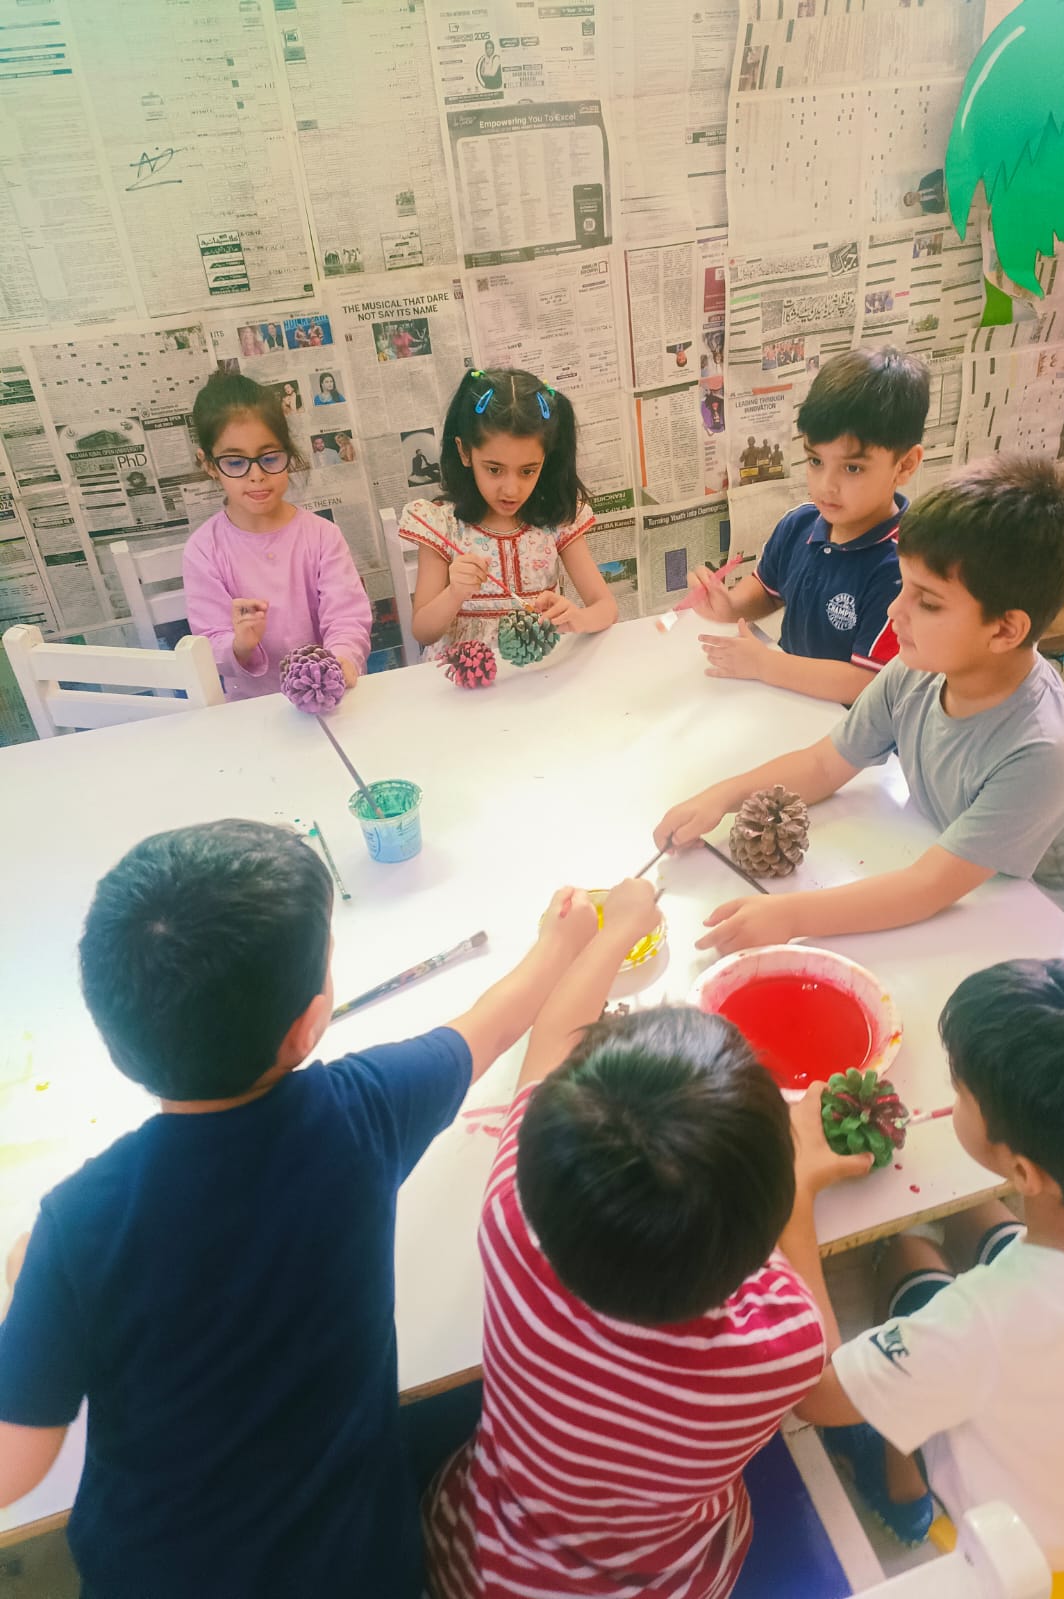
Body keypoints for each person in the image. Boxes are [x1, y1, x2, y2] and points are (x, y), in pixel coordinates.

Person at [0, 821, 600, 1597]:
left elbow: (17, 1464)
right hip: (361, 1567)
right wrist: (561, 943)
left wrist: (38, 1292)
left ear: (114, 1039)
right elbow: (488, 1026)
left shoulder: (77, 1226)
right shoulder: (362, 1110)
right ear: (309, 1025)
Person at [423, 880, 841, 1598]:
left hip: (478, 1560)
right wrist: (801, 1191)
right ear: (762, 1229)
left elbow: (552, 1039)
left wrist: (615, 929)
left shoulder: (510, 1217)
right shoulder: (779, 1346)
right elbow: (824, 1365)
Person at [791, 959, 1064, 1572]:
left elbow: (814, 1393)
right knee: (979, 1226)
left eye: (959, 1092)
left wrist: (795, 1196)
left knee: (909, 1257)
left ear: (1025, 1172)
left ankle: (902, 1489)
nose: (951, 1096)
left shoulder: (978, 1325)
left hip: (1033, 1552)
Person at [656, 454, 1064, 965]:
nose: (894, 611)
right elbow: (824, 764)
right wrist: (722, 796)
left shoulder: (1046, 749)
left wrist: (790, 916)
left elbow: (929, 887)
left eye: (927, 602)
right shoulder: (916, 669)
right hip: (980, 885)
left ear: (1005, 629)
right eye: (903, 587)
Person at [691, 346, 927, 703]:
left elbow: (867, 682)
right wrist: (730, 606)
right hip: (792, 704)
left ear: (905, 465)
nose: (826, 486)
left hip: (851, 727)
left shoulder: (903, 566)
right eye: (815, 461)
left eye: (852, 468)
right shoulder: (800, 523)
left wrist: (765, 665)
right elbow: (768, 591)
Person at [182, 372, 371, 700]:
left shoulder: (322, 536)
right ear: (209, 465)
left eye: (269, 458)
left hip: (329, 698)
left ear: (288, 454)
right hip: (252, 710)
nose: (256, 475)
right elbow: (209, 643)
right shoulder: (203, 550)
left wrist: (342, 658)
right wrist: (240, 644)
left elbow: (347, 617)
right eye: (235, 463)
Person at [400, 367, 618, 649]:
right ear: (465, 452)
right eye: (494, 469)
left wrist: (577, 618)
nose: (511, 489)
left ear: (545, 460)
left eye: (528, 471)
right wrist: (454, 592)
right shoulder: (441, 524)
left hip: (542, 669)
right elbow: (423, 631)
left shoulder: (556, 519)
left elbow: (606, 608)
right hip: (468, 673)